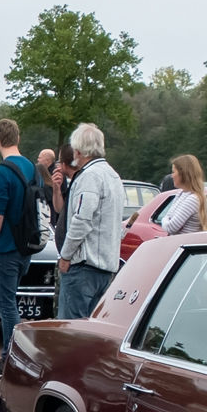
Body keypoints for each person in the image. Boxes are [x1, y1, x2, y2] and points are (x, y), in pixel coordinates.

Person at [0, 118, 38, 380]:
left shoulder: (2, 172)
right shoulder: (31, 167)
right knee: (12, 301)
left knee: (6, 304)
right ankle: (16, 356)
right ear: (18, 138)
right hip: (27, 245)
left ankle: (9, 359)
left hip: (7, 247)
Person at [57, 122, 123, 319]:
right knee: (93, 331)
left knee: (71, 332)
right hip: (105, 265)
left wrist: (66, 255)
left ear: (78, 151)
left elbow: (82, 220)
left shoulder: (90, 176)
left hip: (84, 266)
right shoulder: (113, 175)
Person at [160, 154, 207, 235]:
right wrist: (167, 219)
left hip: (184, 244)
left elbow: (171, 227)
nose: (172, 176)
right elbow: (168, 217)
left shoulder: (193, 199)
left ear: (183, 174)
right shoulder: (181, 193)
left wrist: (164, 219)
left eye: (173, 172)